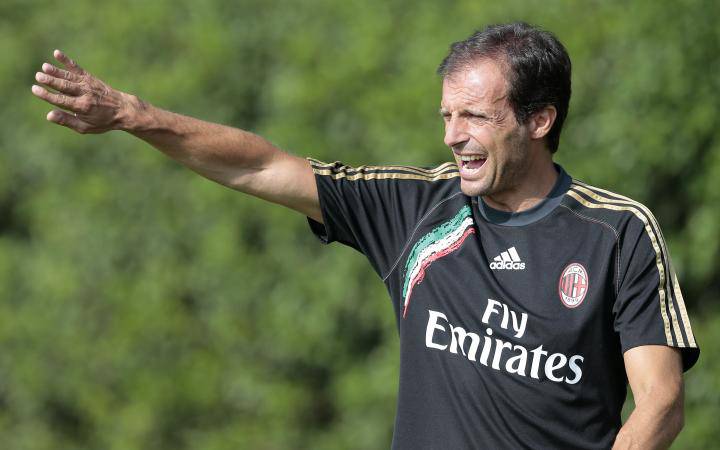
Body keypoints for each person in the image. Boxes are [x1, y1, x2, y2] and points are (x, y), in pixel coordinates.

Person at [31, 21, 699, 449]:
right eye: (446, 115)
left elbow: (661, 401)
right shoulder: (417, 209)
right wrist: (134, 115)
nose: (452, 136)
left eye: (474, 116)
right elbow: (260, 165)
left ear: (540, 119)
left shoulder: (617, 232)